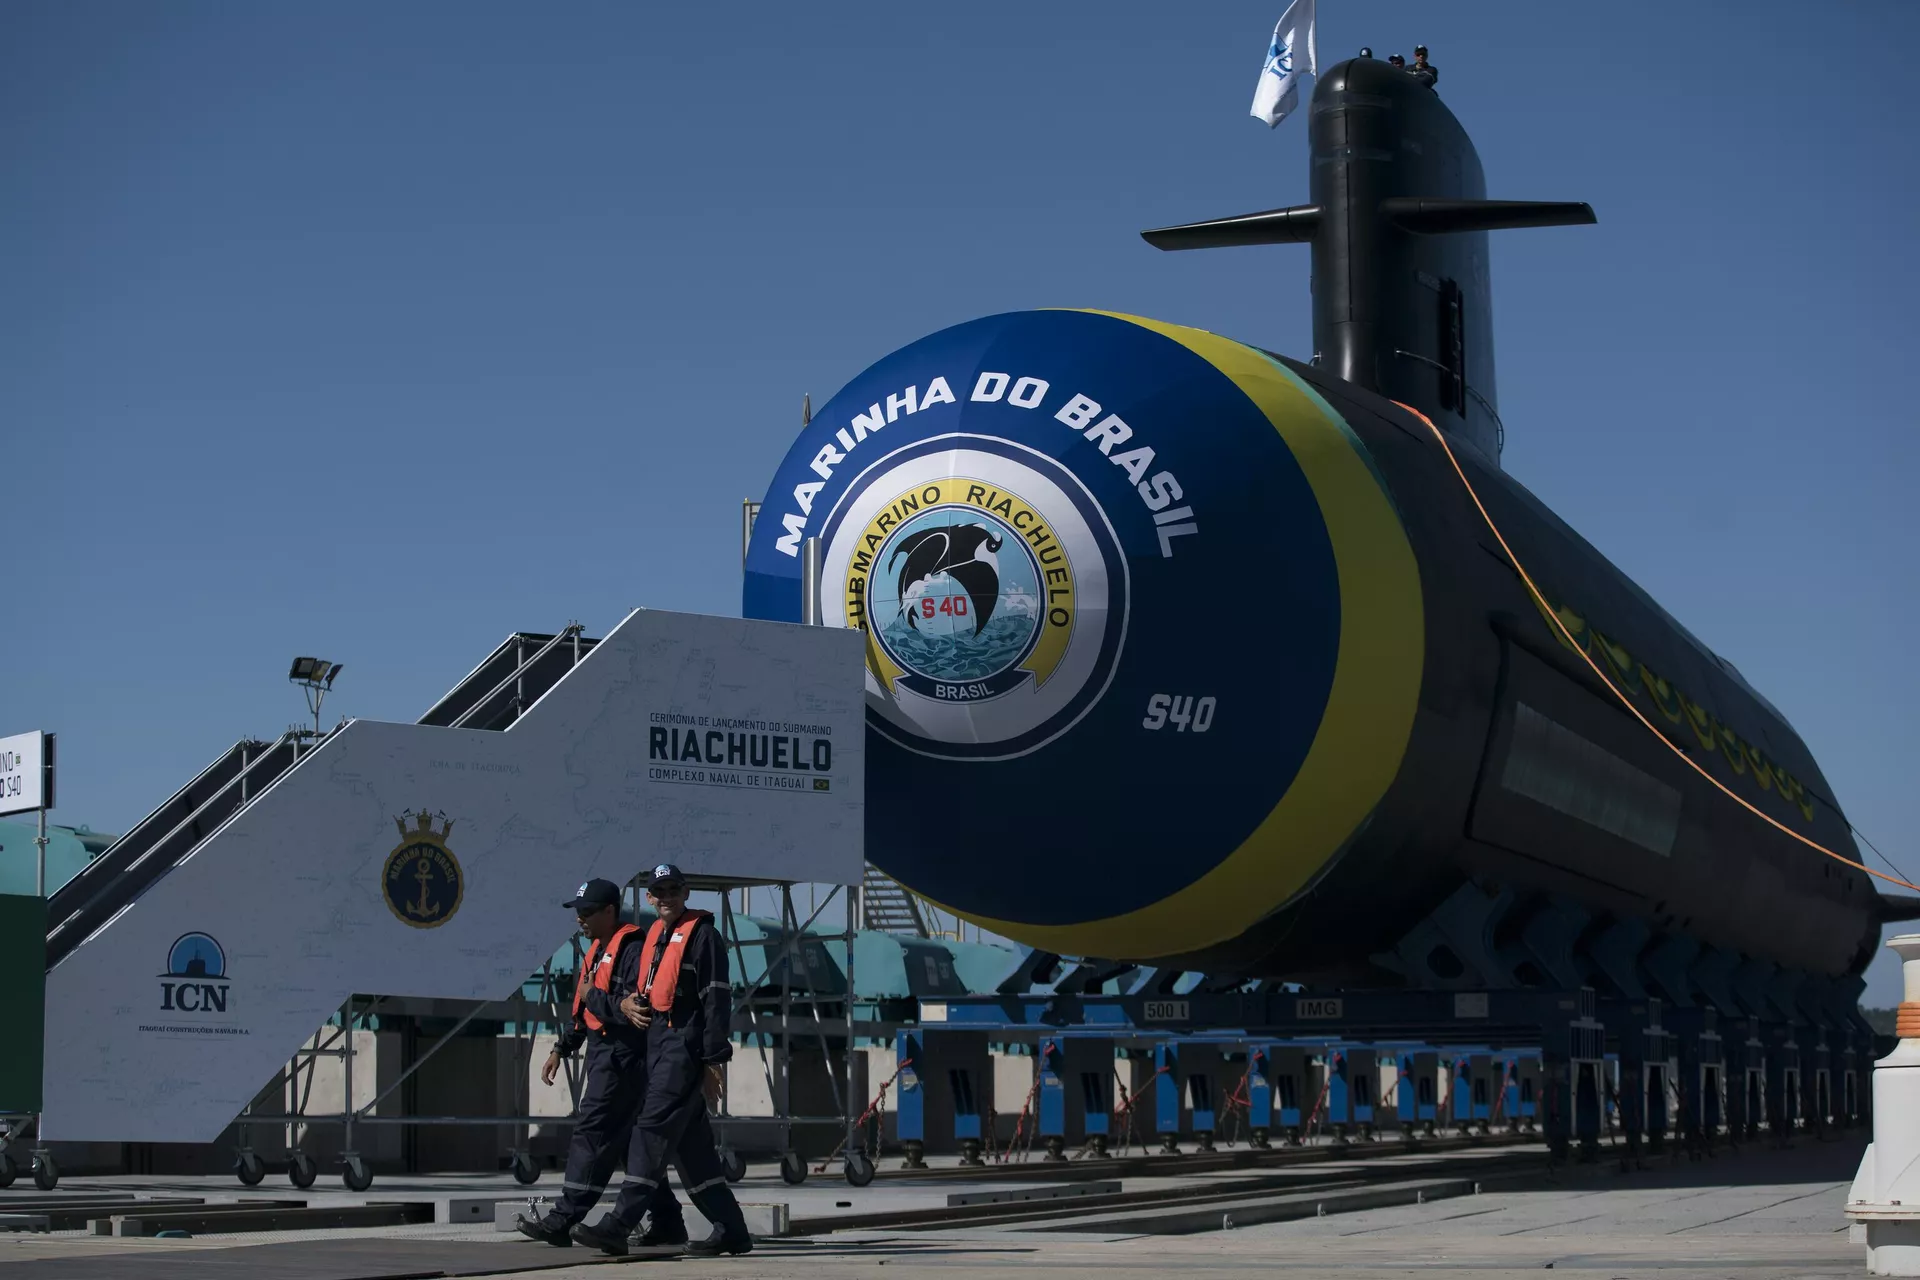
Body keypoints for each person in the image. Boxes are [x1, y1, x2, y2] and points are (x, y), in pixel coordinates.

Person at [570, 864, 752, 1257]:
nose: (666, 897)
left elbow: (716, 1001)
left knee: (648, 1132)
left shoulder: (703, 937)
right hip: (658, 1048)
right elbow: (643, 996)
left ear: (685, 893)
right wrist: (616, 1004)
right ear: (650, 898)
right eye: (659, 891)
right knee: (694, 1152)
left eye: (673, 890)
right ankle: (733, 1231)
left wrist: (712, 1061)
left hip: (683, 1050)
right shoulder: (655, 936)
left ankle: (618, 1224)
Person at [514, 877, 689, 1250]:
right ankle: (668, 1222)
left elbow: (634, 1009)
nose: (580, 918)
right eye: (578, 912)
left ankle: (564, 1218)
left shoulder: (632, 949)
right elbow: (587, 1009)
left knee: (592, 1133)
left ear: (610, 911)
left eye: (587, 911)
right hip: (603, 1053)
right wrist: (561, 1048)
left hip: (623, 1057)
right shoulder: (598, 949)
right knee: (627, 1144)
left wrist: (592, 995)